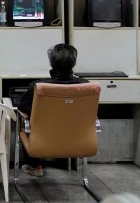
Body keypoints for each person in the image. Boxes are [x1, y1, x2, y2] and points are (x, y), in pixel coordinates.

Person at [17, 43, 88, 177]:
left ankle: (35, 166)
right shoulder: (86, 86)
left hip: (43, 141)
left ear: (51, 63)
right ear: (74, 62)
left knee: (25, 121)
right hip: (78, 142)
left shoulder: (38, 87)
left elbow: (22, 108)